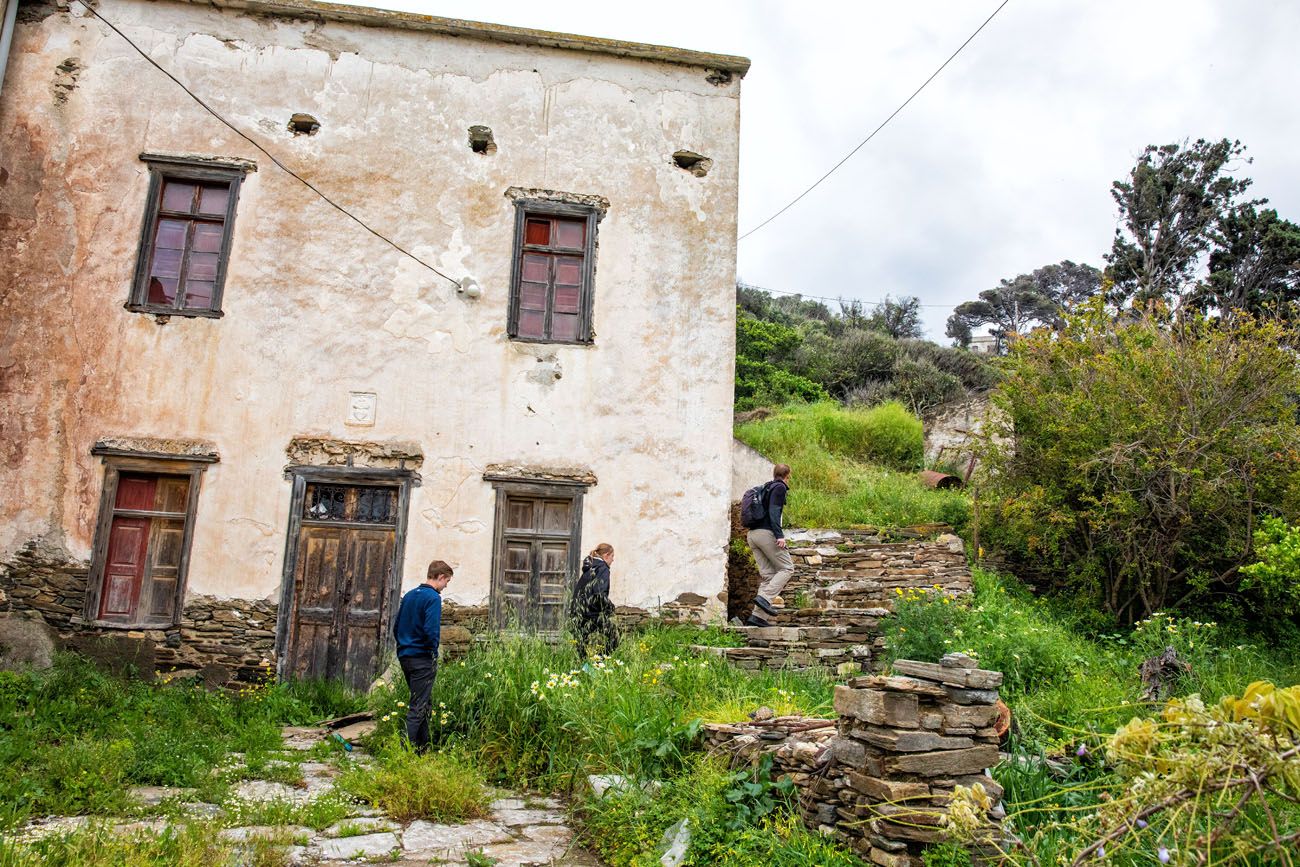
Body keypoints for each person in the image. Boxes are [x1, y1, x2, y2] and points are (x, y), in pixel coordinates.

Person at [393, 559, 453, 754]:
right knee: (418, 707)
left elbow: (396, 627)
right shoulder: (433, 598)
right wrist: (432, 653)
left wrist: (404, 645)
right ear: (440, 577)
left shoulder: (409, 595)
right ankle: (405, 752)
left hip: (405, 655)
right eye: (447, 581)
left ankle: (423, 748)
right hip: (422, 658)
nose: (445, 586)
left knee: (425, 703)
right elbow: (431, 631)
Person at [746, 464, 793, 627]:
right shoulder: (779, 488)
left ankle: (757, 617)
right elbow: (774, 512)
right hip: (766, 534)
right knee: (787, 568)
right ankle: (764, 598)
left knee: (768, 576)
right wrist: (779, 536)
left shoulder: (766, 487)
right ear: (788, 474)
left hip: (753, 535)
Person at [569, 543, 618, 659]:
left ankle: (585, 669)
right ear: (606, 556)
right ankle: (598, 662)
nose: (613, 560)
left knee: (582, 649)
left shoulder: (590, 567)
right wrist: (610, 608)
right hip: (591, 614)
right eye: (612, 556)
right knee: (615, 636)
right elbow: (599, 594)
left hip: (577, 613)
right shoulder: (603, 568)